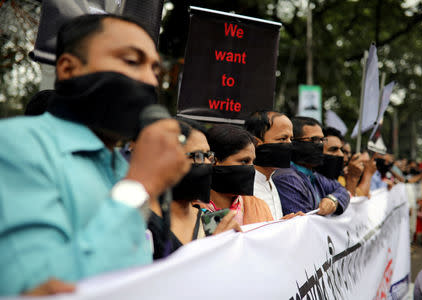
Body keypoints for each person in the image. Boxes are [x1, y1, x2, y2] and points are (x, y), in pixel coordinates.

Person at [0, 14, 191, 296]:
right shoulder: (16, 144)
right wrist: (139, 187)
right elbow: (38, 288)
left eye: (156, 71)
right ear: (68, 68)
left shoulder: (120, 166)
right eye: (131, 61)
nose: (150, 80)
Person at [148, 120, 241, 259]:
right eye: (198, 156)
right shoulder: (142, 224)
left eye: (208, 156)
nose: (207, 164)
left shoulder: (212, 220)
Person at [198, 124, 274, 225]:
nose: (251, 169)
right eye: (244, 161)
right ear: (213, 162)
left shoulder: (259, 207)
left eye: (252, 162)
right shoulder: (192, 209)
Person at [273, 117, 350, 216]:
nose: (320, 145)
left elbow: (342, 190)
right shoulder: (287, 178)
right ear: (294, 142)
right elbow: (305, 224)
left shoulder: (313, 175)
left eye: (322, 140)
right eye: (314, 140)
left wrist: (332, 199)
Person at [244, 111, 294, 220]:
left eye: (291, 139)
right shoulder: (245, 187)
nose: (289, 144)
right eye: (282, 138)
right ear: (256, 142)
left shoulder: (270, 179)